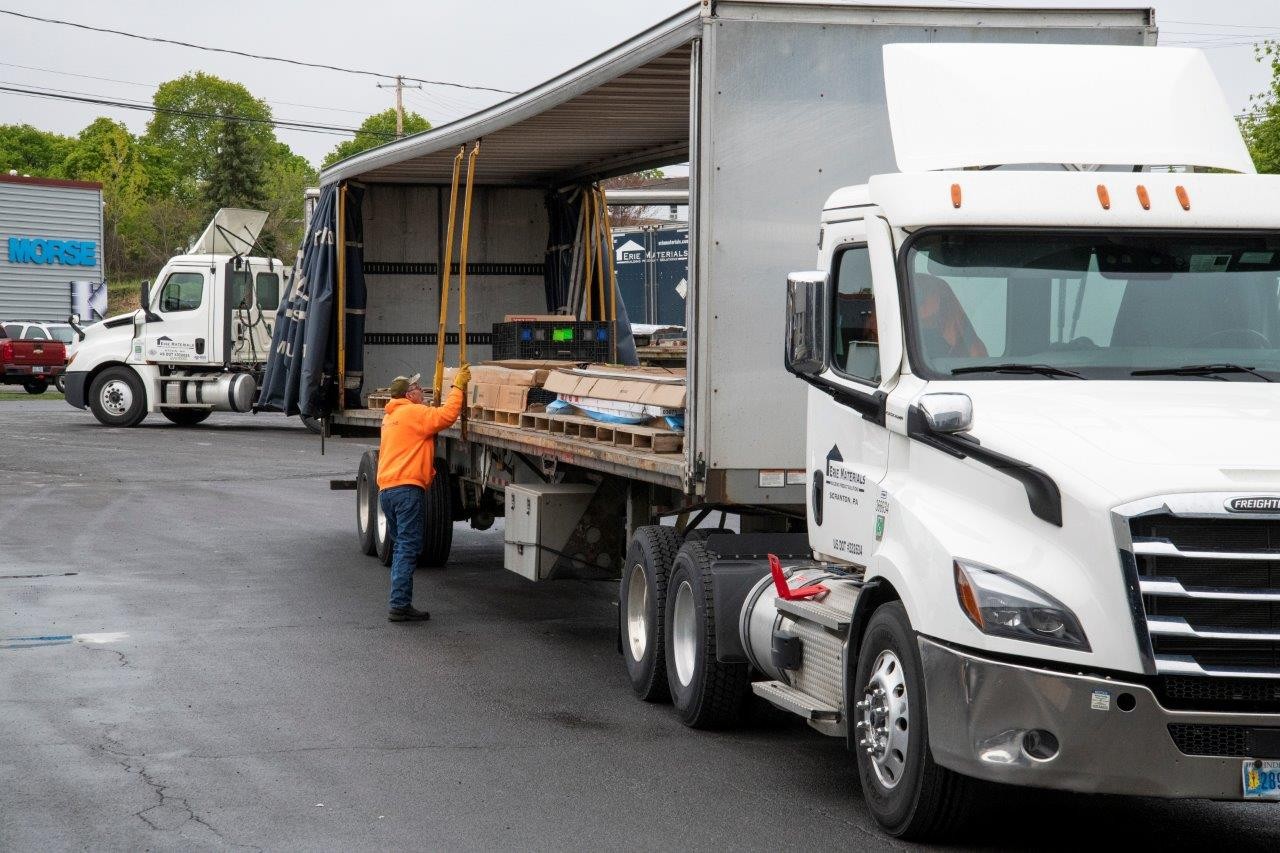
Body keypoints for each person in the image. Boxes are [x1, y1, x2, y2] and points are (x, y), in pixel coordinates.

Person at [377, 366, 470, 622]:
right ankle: (399, 605)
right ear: (409, 395)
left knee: (401, 547)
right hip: (407, 490)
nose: (421, 391)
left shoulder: (390, 417)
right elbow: (448, 415)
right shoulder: (414, 413)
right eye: (417, 388)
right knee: (408, 547)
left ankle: (400, 602)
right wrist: (458, 386)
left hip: (387, 490)